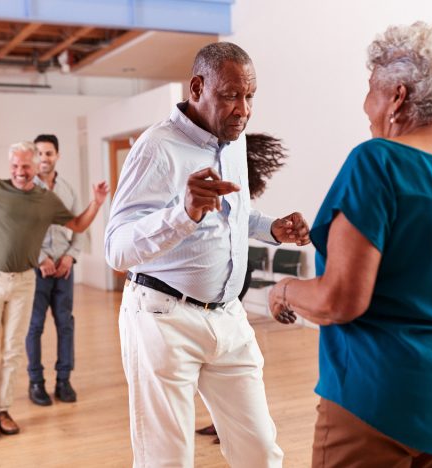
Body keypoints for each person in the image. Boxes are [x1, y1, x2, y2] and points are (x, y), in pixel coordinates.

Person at [268, 22, 432, 467]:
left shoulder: (377, 164)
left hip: (379, 401)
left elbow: (339, 301)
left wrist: (281, 290)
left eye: (371, 90)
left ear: (397, 96)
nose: (366, 106)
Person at [105, 42, 309, 468]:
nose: (244, 109)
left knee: (261, 452)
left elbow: (234, 212)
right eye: (231, 95)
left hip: (228, 317)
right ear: (197, 87)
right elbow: (117, 249)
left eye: (250, 96)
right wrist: (183, 212)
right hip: (163, 319)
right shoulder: (155, 148)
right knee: (168, 459)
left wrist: (270, 228)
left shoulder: (232, 143)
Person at [0, 141, 107, 439]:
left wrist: (97, 202)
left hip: (24, 281)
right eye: (14, 166)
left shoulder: (46, 199)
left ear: (35, 164)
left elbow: (78, 225)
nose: (19, 171)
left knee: (13, 350)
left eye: (25, 166)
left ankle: (3, 409)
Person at [196, 132, 289, 443]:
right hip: (224, 279)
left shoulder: (230, 175)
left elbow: (244, 219)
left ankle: (228, 418)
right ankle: (222, 416)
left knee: (225, 350)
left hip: (234, 277)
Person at [26, 134, 109, 406]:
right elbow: (20, 231)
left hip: (63, 270)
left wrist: (70, 258)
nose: (44, 158)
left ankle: (64, 380)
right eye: (39, 153)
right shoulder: (25, 189)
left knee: (65, 325)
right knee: (35, 326)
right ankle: (36, 382)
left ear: (57, 156)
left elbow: (79, 227)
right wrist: (40, 258)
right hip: (36, 271)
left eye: (48, 153)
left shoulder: (67, 190)